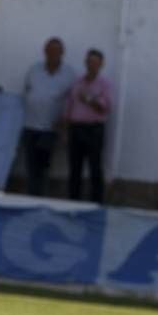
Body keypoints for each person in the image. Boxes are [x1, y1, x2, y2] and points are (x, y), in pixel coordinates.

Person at [22, 37, 77, 196]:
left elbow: (72, 100)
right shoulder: (34, 69)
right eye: (50, 50)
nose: (53, 54)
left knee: (44, 165)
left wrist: (64, 122)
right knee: (31, 164)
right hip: (30, 125)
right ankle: (31, 197)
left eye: (56, 51)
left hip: (50, 128)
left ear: (62, 53)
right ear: (45, 52)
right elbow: (27, 90)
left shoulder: (68, 74)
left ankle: (40, 197)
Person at [65, 49, 112, 203]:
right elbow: (70, 106)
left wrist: (90, 99)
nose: (92, 65)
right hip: (76, 128)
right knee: (75, 168)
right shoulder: (77, 83)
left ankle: (96, 203)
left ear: (101, 65)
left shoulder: (104, 85)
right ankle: (73, 202)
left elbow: (104, 108)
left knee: (95, 168)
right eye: (89, 62)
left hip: (94, 129)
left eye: (95, 62)